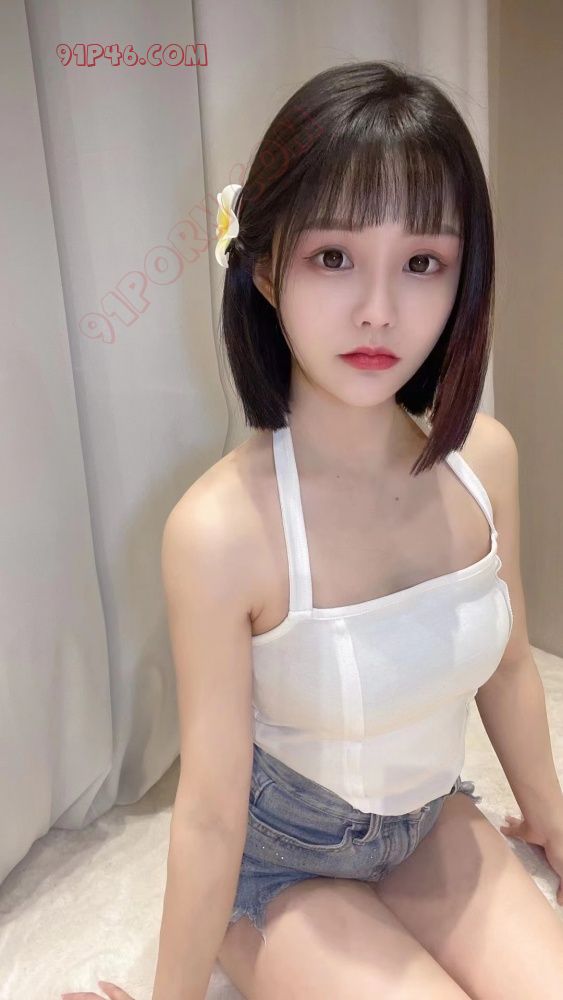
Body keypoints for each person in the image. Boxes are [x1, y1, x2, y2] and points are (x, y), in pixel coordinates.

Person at [64, 60, 563, 1000]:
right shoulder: (220, 531)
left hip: (427, 823)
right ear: (263, 267)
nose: (378, 309)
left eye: (421, 263)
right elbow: (209, 812)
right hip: (280, 866)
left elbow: (504, 669)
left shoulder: (484, 460)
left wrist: (552, 821)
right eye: (333, 257)